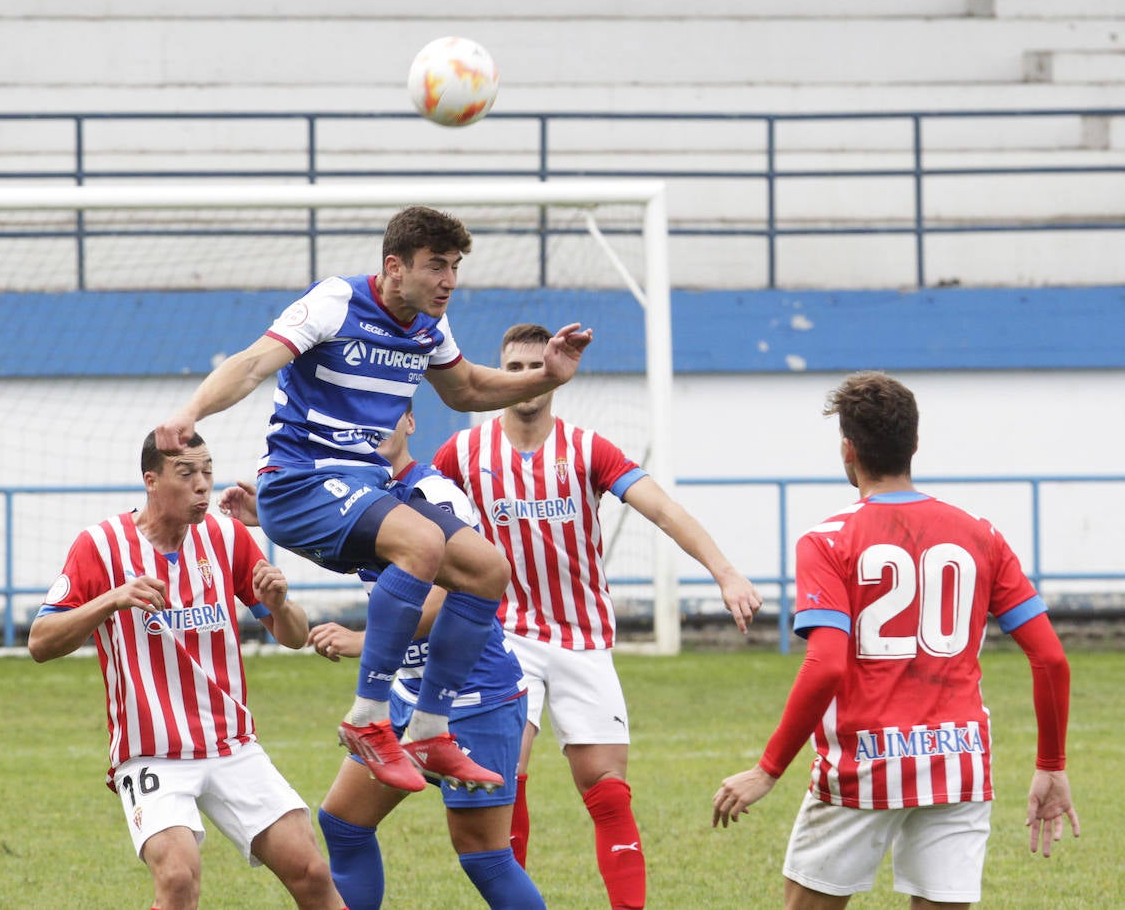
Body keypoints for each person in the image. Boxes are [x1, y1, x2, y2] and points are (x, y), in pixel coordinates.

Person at [155, 205, 593, 793]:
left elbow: (466, 389)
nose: (449, 281)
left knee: (489, 570)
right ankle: (368, 716)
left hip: (367, 487)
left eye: (456, 267)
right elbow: (255, 361)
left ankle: (431, 729)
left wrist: (547, 377)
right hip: (300, 480)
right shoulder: (336, 301)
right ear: (394, 266)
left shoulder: (430, 328)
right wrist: (189, 412)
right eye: (437, 266)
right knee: (423, 543)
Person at [711, 371, 1081, 907]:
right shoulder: (981, 533)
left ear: (847, 449)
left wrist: (767, 770)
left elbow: (827, 666)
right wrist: (1050, 765)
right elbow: (1050, 659)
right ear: (914, 445)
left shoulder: (827, 540)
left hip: (864, 765)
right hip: (958, 761)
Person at [433, 323, 763, 910]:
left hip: (583, 638)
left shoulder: (587, 449)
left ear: (557, 374)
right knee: (506, 785)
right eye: (513, 368)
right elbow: (410, 516)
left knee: (608, 792)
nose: (526, 379)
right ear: (498, 374)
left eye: (536, 366)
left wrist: (726, 572)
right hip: (502, 639)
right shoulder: (463, 451)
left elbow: (662, 509)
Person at [221, 407, 545, 909]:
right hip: (405, 696)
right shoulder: (364, 498)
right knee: (344, 823)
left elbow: (448, 596)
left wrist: (362, 641)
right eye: (359, 423)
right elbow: (347, 546)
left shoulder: (434, 494)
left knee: (484, 855)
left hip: (474, 695)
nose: (371, 430)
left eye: (386, 418)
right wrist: (268, 514)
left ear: (410, 424)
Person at [28, 431, 344, 910]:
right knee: (177, 879)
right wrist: (111, 599)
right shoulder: (101, 545)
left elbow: (294, 635)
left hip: (231, 743)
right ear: (151, 481)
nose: (203, 485)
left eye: (208, 472)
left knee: (311, 870)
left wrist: (280, 605)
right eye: (187, 473)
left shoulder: (228, 537)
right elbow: (40, 642)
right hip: (151, 751)